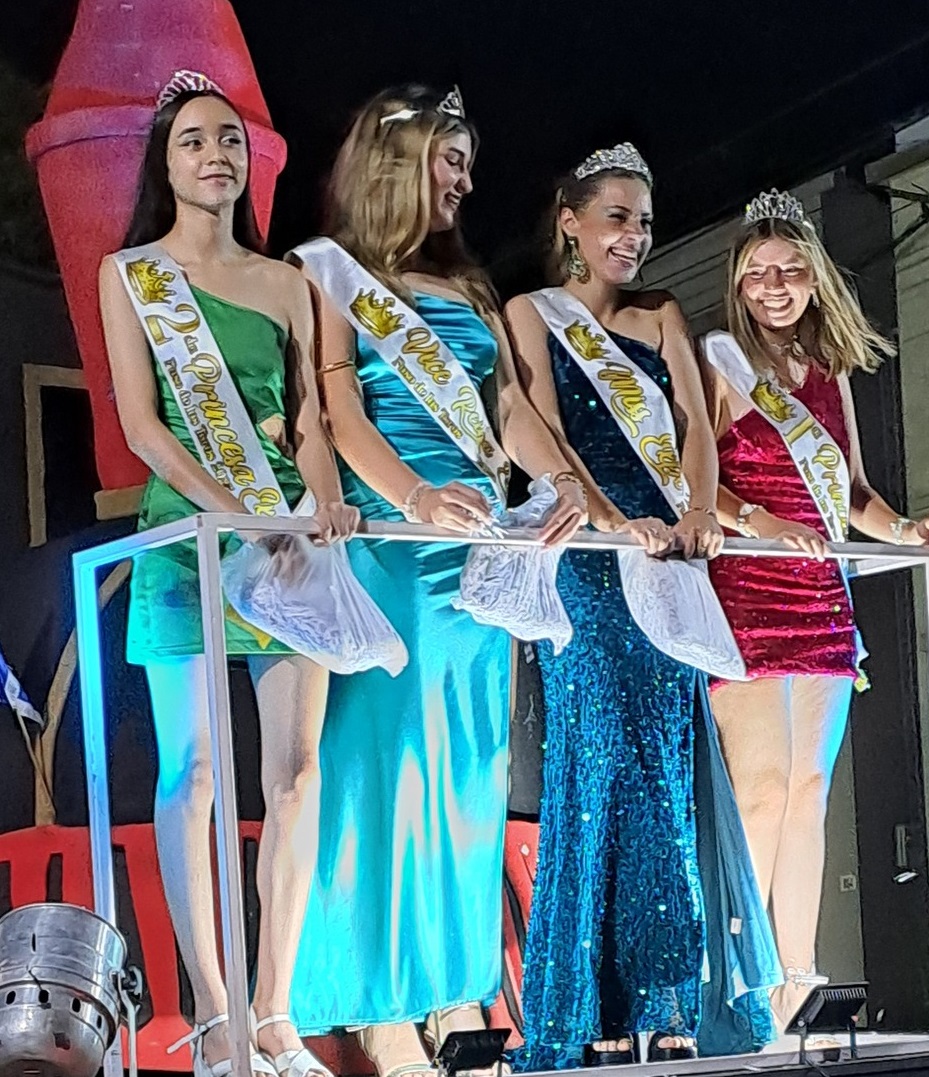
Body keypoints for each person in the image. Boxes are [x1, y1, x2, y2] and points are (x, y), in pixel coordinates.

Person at [285, 86, 586, 1077]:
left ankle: (453, 997)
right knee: (385, 779)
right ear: (390, 163)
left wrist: (563, 484)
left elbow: (509, 407)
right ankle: (374, 1009)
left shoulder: (468, 291)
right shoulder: (327, 274)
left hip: (477, 552)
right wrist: (412, 496)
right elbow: (335, 412)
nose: (460, 180)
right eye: (443, 159)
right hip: (387, 544)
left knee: (469, 774)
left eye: (464, 163)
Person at [99, 72, 358, 1077]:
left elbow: (308, 424)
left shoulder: (288, 282)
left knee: (294, 776)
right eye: (196, 142)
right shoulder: (134, 275)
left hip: (289, 543)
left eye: (230, 142)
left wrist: (321, 494)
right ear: (164, 164)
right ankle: (213, 1017)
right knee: (194, 772)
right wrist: (234, 511)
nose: (217, 157)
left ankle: (272, 1011)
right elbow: (141, 427)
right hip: (189, 544)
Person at [503, 144, 779, 1071]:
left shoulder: (661, 315)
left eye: (645, 222)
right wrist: (609, 516)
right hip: (587, 553)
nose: (634, 236)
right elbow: (538, 423)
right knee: (595, 764)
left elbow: (697, 432)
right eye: (616, 216)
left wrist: (698, 509)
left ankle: (664, 1001)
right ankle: (577, 1005)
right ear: (569, 220)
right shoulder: (528, 315)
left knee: (663, 764)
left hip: (664, 556)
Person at [700, 189, 929, 1030]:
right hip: (747, 586)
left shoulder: (828, 372)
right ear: (736, 286)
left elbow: (848, 493)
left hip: (819, 594)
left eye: (788, 269)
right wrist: (758, 521)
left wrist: (906, 528)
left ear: (813, 276)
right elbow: (695, 484)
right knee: (759, 787)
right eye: (756, 273)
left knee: (808, 787)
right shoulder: (716, 363)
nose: (773, 286)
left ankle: (797, 972)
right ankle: (740, 970)